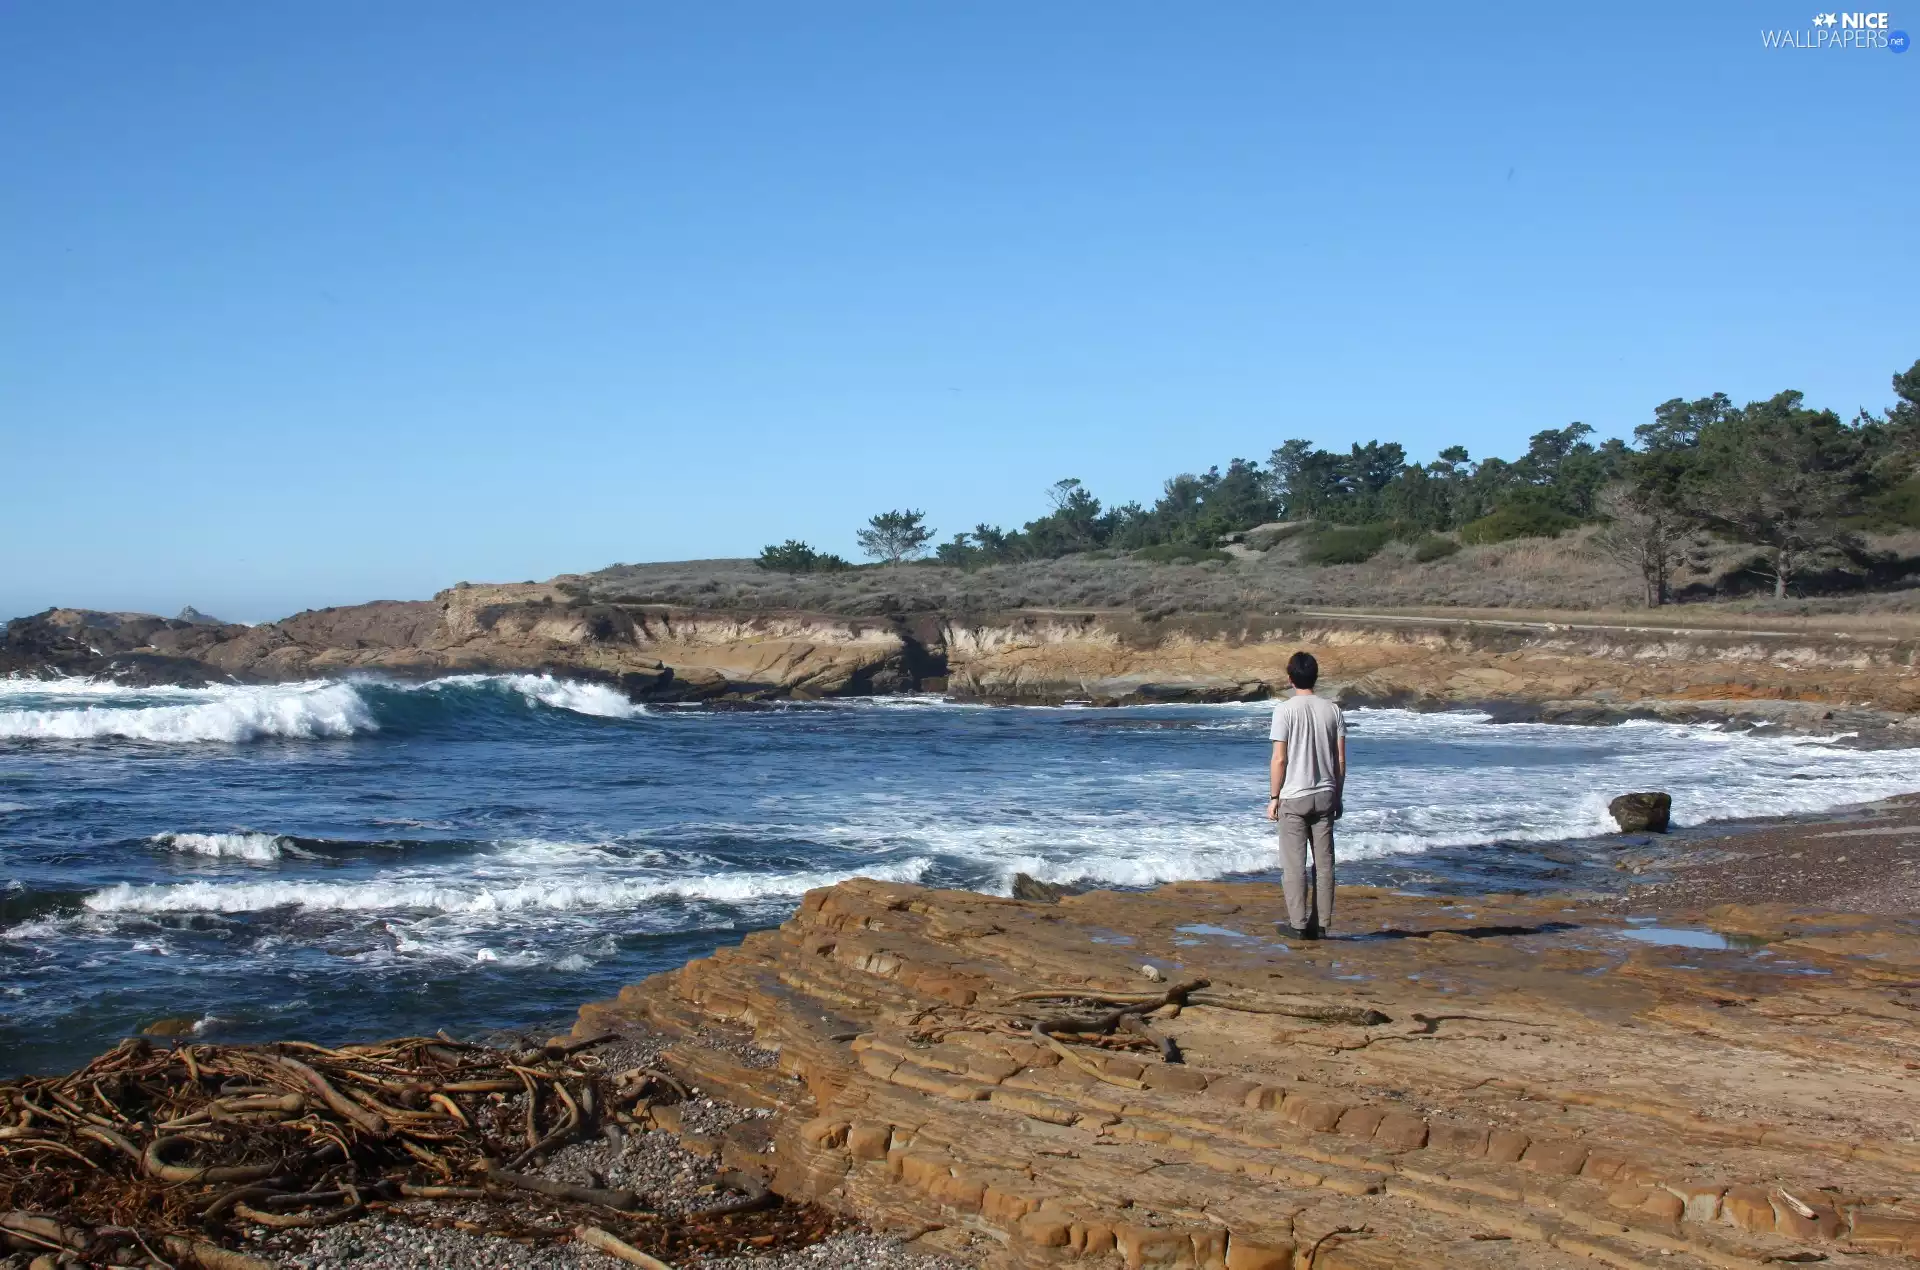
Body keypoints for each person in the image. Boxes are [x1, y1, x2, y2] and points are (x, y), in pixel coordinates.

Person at [1264, 650, 1346, 940]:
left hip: (1294, 796)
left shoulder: (1284, 711)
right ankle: (1322, 924)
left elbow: (1279, 760)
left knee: (1294, 865)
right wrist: (1338, 795)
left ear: (1290, 678)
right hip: (1325, 792)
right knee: (1324, 865)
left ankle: (1298, 924)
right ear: (1316, 676)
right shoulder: (1333, 710)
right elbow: (1340, 761)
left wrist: (1274, 797)